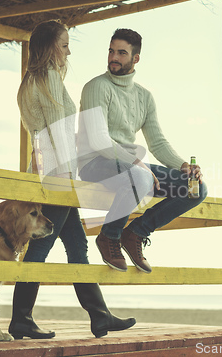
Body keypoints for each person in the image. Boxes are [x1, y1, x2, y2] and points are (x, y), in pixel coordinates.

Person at [9, 20, 135, 339]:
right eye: (64, 44)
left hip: (43, 168)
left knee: (77, 244)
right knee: (41, 245)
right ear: (50, 46)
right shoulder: (49, 76)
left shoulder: (29, 80)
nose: (68, 50)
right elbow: (56, 129)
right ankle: (21, 318)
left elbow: (45, 133)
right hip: (57, 173)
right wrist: (67, 177)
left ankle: (99, 315)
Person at [78, 28, 208, 274]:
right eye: (111, 51)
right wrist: (138, 165)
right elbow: (98, 140)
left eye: (121, 53)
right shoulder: (96, 87)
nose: (113, 57)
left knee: (196, 189)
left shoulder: (144, 97)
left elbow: (157, 142)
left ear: (135, 58)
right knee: (140, 175)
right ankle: (109, 236)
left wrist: (183, 166)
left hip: (130, 166)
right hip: (95, 163)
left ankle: (136, 233)